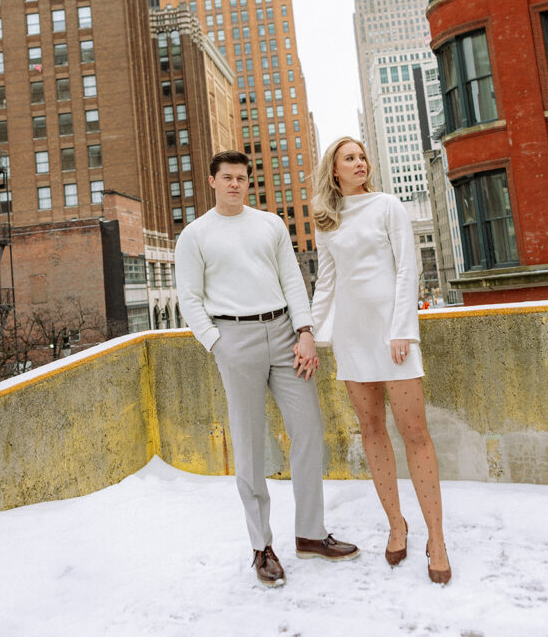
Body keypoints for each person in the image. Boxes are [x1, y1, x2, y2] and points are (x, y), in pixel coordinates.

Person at [175, 150, 359, 586]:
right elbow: (189, 299)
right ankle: (261, 547)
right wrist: (218, 344)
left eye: (242, 178)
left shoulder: (270, 224)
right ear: (213, 181)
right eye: (228, 178)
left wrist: (305, 331)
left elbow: (293, 280)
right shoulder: (195, 235)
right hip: (233, 338)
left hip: (283, 334)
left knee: (309, 428)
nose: (236, 184)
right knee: (250, 445)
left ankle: (311, 535)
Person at [310, 137, 451, 584]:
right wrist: (308, 333)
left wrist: (402, 330)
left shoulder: (389, 206)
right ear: (334, 170)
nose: (359, 163)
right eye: (349, 158)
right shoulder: (327, 221)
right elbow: (326, 284)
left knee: (415, 434)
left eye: (362, 156)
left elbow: (408, 269)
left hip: (395, 337)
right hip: (352, 337)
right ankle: (396, 524)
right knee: (371, 432)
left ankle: (438, 539)